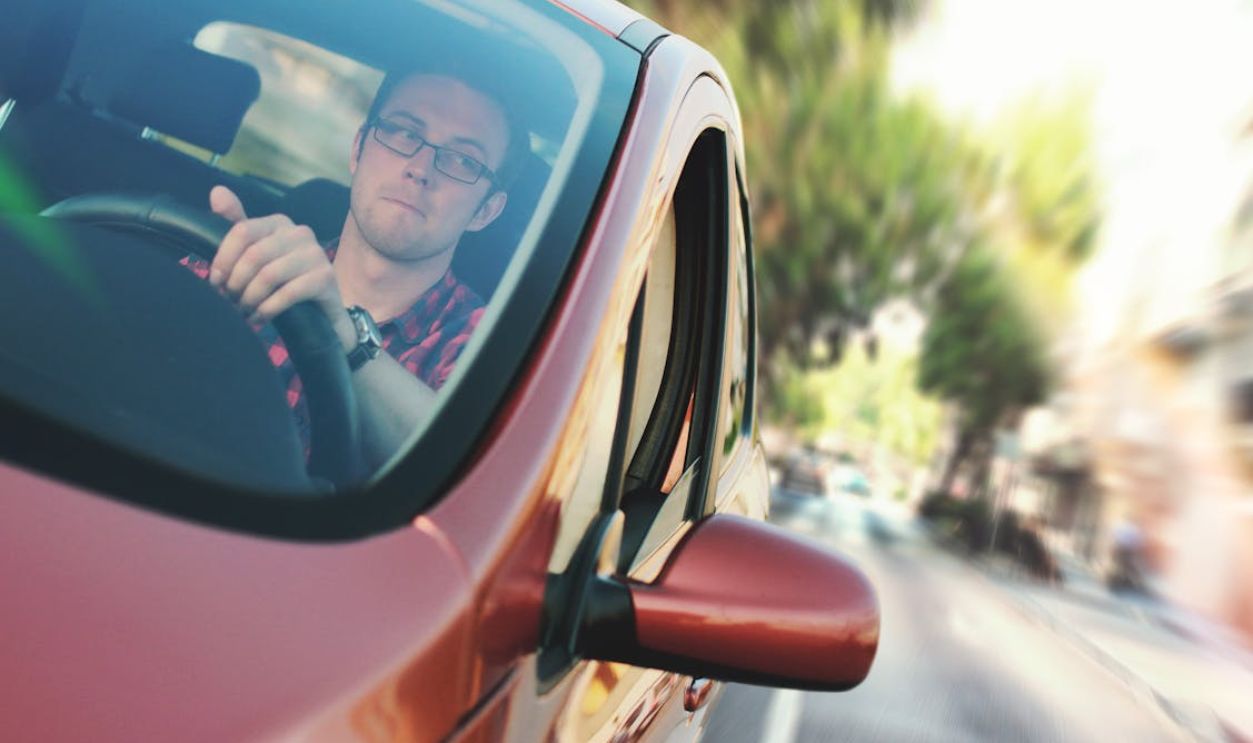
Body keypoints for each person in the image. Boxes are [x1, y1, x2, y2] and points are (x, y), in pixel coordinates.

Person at [185, 65, 528, 468]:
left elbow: (464, 475)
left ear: (485, 211)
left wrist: (346, 339)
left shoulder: (491, 351)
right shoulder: (245, 259)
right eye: (405, 133)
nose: (421, 168)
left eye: (464, 161)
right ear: (358, 149)